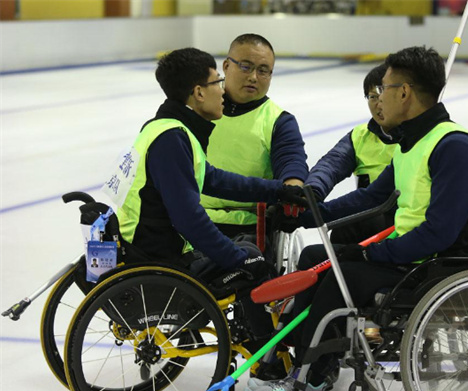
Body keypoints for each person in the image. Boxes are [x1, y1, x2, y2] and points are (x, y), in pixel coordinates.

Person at [246, 46, 468, 391]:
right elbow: (372, 197)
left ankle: (311, 377)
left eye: (385, 90)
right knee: (322, 257)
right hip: (415, 258)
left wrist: (373, 253)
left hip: (438, 265)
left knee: (340, 271)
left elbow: (440, 232)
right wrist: (309, 215)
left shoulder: (453, 147)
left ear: (404, 93)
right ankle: (294, 359)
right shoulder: (413, 143)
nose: (379, 102)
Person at [103, 47, 306, 300]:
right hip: (160, 257)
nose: (222, 91)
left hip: (147, 246)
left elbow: (214, 180)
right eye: (217, 82)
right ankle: (262, 339)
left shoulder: (166, 128)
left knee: (246, 250)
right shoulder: (172, 139)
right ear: (199, 92)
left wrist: (278, 190)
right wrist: (238, 260)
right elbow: (188, 218)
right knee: (253, 259)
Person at [200, 33, 309, 240]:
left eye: (263, 71)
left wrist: (293, 192)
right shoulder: (199, 108)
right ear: (226, 66)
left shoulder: (279, 121)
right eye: (245, 66)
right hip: (192, 218)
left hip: (248, 226)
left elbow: (291, 161)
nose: (253, 77)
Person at [304, 63, 397, 244]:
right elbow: (330, 166)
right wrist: (312, 192)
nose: (378, 104)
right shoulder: (360, 136)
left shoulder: (419, 138)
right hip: (369, 215)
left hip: (403, 223)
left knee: (351, 225)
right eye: (372, 97)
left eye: (383, 96)